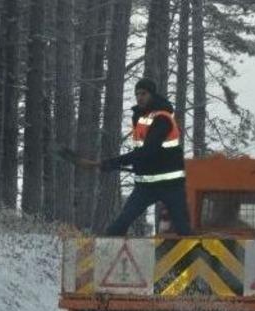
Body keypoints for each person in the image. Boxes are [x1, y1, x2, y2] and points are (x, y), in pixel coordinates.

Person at [82, 78, 191, 236]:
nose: (140, 97)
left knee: (183, 230)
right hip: (145, 186)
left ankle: (191, 258)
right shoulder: (140, 119)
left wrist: (109, 163)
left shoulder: (162, 119)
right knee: (120, 224)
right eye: (137, 94)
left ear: (152, 95)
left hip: (171, 186)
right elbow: (143, 154)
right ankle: (105, 257)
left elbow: (147, 151)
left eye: (144, 94)